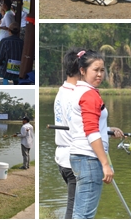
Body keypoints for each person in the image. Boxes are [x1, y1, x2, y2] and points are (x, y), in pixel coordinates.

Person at [69, 50, 124, 219]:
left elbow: (86, 125)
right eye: (96, 70)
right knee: (84, 216)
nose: (100, 74)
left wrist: (106, 130)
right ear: (83, 70)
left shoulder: (78, 91)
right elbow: (91, 132)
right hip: (89, 159)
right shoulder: (89, 95)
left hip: (80, 156)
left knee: (80, 213)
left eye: (102, 70)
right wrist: (105, 164)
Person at [54, 48, 81, 219]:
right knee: (74, 209)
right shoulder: (77, 94)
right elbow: (84, 129)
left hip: (62, 159)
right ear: (82, 69)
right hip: (75, 160)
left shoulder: (62, 90)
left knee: (74, 206)